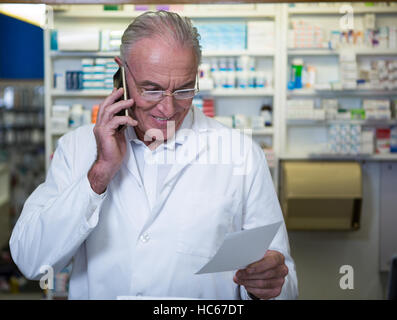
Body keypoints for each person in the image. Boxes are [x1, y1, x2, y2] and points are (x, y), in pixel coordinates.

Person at [9, 11, 298, 300]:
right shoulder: (77, 148)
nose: (168, 109)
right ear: (122, 73)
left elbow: (285, 281)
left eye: (184, 90)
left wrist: (269, 285)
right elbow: (31, 261)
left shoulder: (241, 154)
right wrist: (98, 175)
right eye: (152, 90)